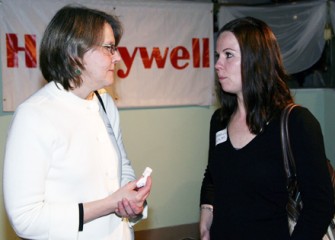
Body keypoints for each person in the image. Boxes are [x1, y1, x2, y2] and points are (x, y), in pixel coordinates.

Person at [3, 4, 151, 240]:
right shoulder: (33, 115)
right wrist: (108, 204)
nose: (118, 57)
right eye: (109, 48)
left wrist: (130, 199)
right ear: (74, 53)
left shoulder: (105, 102)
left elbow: (121, 168)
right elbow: (25, 219)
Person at [199, 16, 334, 240]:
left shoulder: (296, 123)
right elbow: (212, 175)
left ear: (257, 60)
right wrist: (206, 216)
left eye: (228, 55)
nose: (217, 64)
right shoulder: (219, 121)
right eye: (217, 55)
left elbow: (320, 206)